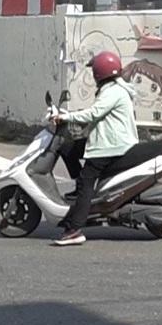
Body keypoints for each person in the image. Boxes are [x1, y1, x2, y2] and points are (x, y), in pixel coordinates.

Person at [51, 51, 139, 247]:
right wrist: (67, 114)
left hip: (111, 146)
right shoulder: (113, 88)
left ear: (100, 73)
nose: (92, 76)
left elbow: (94, 113)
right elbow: (96, 112)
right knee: (68, 148)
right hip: (108, 142)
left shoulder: (113, 91)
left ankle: (74, 230)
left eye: (94, 72)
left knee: (87, 181)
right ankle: (79, 192)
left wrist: (67, 117)